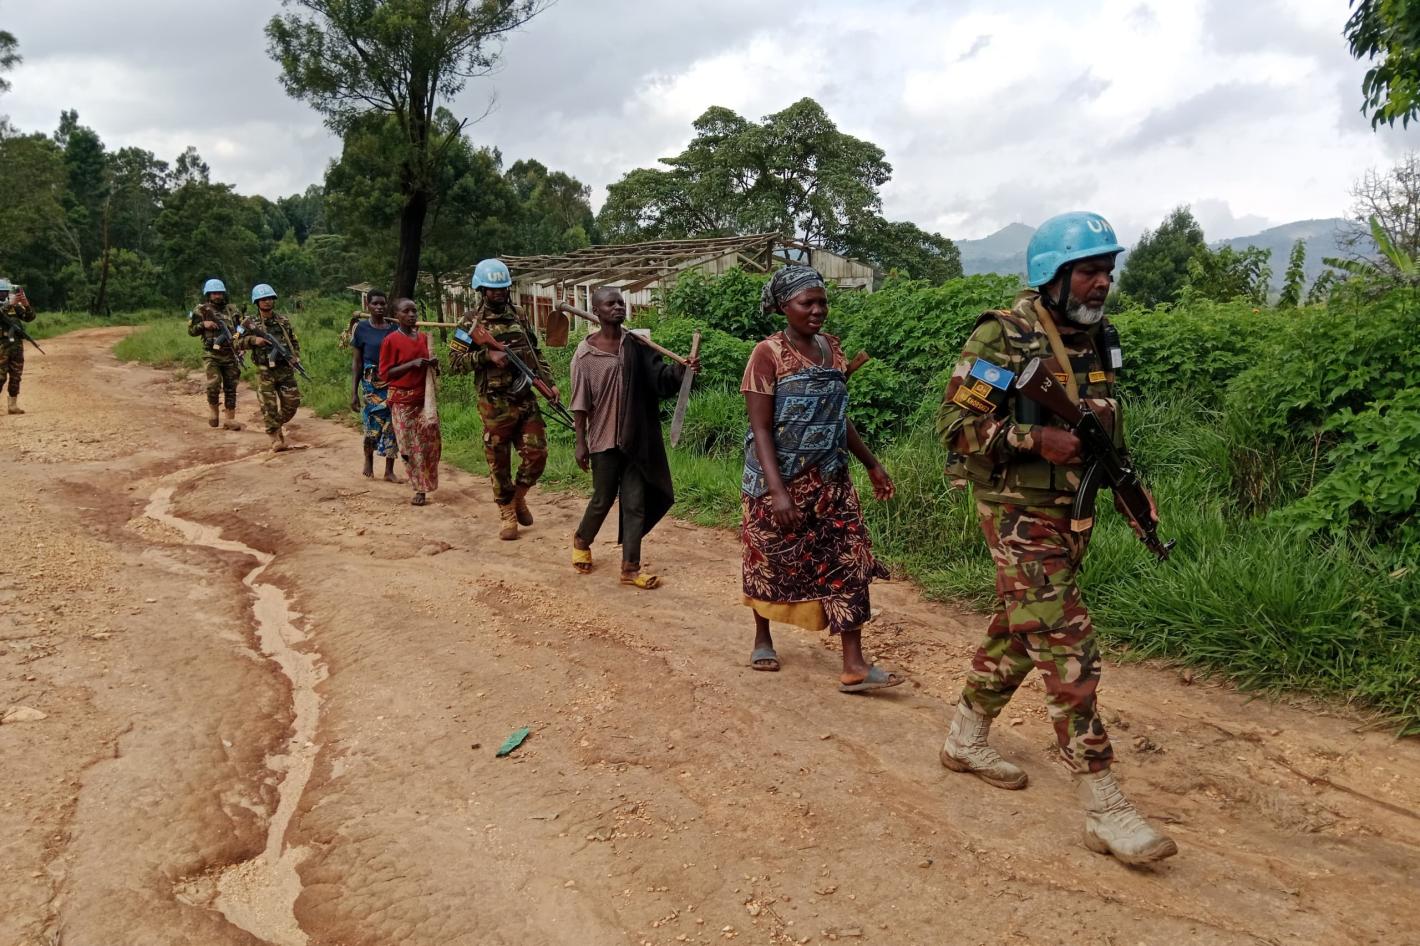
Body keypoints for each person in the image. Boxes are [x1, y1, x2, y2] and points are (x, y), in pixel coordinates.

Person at [935, 211, 1177, 865]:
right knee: (1068, 645)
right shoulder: (1006, 336)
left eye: (1107, 271)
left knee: (1021, 628)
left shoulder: (1099, 341)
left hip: (1071, 512)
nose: (1102, 283)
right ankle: (1104, 804)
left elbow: (1105, 428)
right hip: (1017, 515)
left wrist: (1131, 489)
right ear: (1054, 274)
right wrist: (1031, 436)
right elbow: (955, 426)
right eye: (1090, 270)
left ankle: (964, 737)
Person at [741, 265, 902, 693]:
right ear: (782, 306)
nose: (817, 310)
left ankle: (854, 664)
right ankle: (763, 637)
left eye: (822, 302)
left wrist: (871, 463)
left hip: (831, 480)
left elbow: (838, 419)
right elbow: (760, 429)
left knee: (851, 560)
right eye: (806, 303)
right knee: (769, 560)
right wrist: (777, 492)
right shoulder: (767, 354)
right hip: (777, 482)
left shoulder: (832, 348)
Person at [570, 287, 697, 588]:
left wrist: (682, 371)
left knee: (635, 503)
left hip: (636, 439)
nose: (618, 307)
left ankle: (630, 568)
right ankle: (581, 540)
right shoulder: (585, 355)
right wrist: (580, 441)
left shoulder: (638, 346)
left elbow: (660, 379)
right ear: (596, 311)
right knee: (602, 499)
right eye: (610, 304)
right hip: (602, 440)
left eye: (621, 303)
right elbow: (579, 403)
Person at [448, 258, 559, 540]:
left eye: (502, 288)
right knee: (499, 460)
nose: (498, 293)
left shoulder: (519, 314)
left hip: (525, 396)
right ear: (481, 289)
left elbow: (535, 352)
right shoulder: (469, 322)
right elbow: (454, 362)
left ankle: (518, 497)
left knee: (537, 453)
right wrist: (487, 356)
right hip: (494, 402)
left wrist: (549, 383)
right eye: (492, 289)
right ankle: (506, 511)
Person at [378, 298, 441, 506]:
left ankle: (427, 483)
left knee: (429, 445)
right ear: (397, 315)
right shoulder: (391, 340)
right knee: (409, 447)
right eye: (406, 311)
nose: (412, 315)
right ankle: (418, 488)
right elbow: (386, 373)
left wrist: (433, 364)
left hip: (424, 399)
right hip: (402, 401)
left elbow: (431, 370)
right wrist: (411, 364)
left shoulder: (423, 338)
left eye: (414, 311)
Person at [236, 283, 302, 452]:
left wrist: (295, 356)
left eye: (269, 299)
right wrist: (253, 340)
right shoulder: (248, 323)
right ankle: (275, 438)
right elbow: (235, 342)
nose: (267, 302)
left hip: (284, 368)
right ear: (256, 302)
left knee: (292, 404)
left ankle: (275, 423)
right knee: (269, 406)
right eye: (262, 299)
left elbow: (293, 341)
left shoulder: (283, 321)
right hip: (265, 370)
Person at [348, 290, 399, 481]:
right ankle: (368, 459)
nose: (379, 307)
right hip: (371, 382)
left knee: (392, 424)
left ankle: (389, 469)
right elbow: (357, 363)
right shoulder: (361, 328)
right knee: (372, 422)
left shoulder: (394, 329)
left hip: (393, 380)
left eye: (382, 304)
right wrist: (354, 392)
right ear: (367, 306)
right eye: (375, 304)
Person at [186, 278, 245, 431]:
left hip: (231, 353)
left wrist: (239, 342)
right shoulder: (201, 310)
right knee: (213, 384)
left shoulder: (232, 310)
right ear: (208, 294)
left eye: (219, 293)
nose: (217, 296)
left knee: (231, 387)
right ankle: (213, 411)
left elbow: (241, 329)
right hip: (211, 354)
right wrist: (203, 325)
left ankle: (229, 419)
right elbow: (191, 331)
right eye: (214, 293)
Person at [0, 278, 37, 415]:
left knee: (16, 376)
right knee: (0, 377)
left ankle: (12, 406)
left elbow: (30, 317)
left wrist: (26, 305)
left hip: (16, 346)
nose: (4, 296)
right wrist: (7, 305)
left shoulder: (15, 307)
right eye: (1, 294)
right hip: (1, 346)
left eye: (6, 293)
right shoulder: (5, 307)